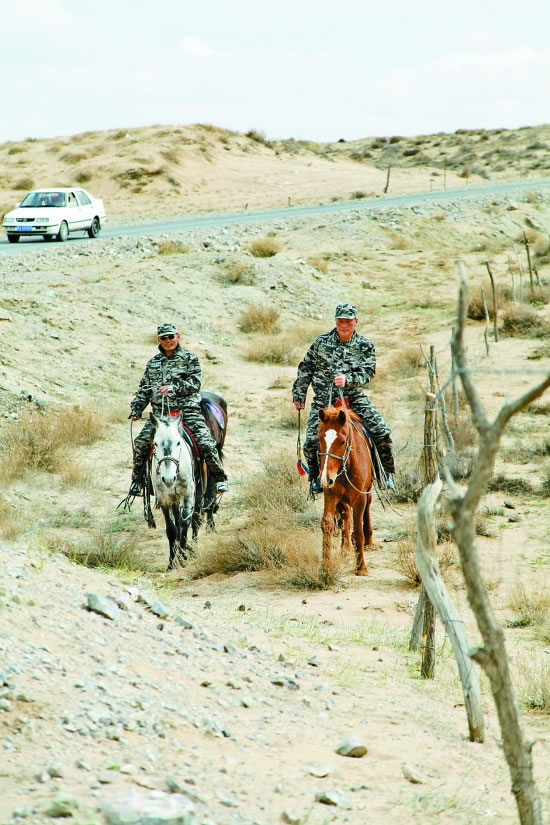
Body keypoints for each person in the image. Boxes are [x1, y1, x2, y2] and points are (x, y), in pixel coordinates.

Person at [292, 304, 395, 494]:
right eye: (340, 321)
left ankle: (386, 473)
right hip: (324, 401)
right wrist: (299, 394)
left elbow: (369, 372)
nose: (344, 325)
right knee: (311, 443)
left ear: (356, 321)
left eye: (348, 321)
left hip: (354, 398)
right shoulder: (321, 342)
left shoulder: (364, 346)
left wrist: (349, 379)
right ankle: (316, 478)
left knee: (382, 433)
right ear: (336, 321)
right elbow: (306, 367)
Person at [128, 322, 228, 496]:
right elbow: (144, 388)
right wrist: (137, 407)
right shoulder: (153, 363)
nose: (168, 340)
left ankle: (219, 479)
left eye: (171, 337)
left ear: (178, 337)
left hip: (187, 412)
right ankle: (138, 482)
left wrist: (173, 388)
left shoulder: (190, 358)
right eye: (164, 338)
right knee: (141, 443)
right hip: (160, 415)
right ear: (159, 339)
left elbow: (195, 383)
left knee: (206, 443)